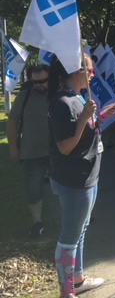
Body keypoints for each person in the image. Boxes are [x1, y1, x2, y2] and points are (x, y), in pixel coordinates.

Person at [48, 54, 115, 298]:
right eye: (89, 71)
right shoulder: (62, 102)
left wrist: (100, 117)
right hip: (74, 179)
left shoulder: (77, 97)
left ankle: (77, 279)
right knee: (70, 236)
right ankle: (66, 291)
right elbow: (65, 147)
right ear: (76, 71)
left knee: (81, 230)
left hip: (88, 175)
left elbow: (85, 129)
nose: (92, 75)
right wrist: (82, 119)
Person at [7, 65, 50, 239]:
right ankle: (37, 222)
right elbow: (12, 122)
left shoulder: (59, 95)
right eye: (35, 82)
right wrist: (13, 148)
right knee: (33, 188)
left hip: (58, 150)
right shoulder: (24, 97)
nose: (39, 85)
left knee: (63, 186)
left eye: (43, 81)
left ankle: (73, 217)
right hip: (31, 152)